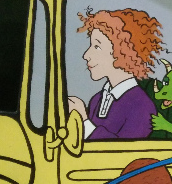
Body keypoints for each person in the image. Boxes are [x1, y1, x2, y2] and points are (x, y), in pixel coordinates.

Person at [68, 8, 162, 140]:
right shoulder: (97, 100)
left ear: (123, 51)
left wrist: (84, 122)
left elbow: (123, 149)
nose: (86, 55)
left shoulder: (141, 105)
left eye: (97, 47)